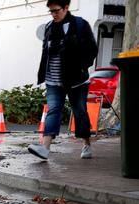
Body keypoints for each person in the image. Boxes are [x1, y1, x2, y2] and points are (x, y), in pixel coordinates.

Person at [28, 0, 98, 160]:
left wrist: (82, 66)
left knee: (80, 112)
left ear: (66, 8)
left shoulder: (80, 25)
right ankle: (45, 148)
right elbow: (46, 52)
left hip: (76, 81)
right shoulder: (49, 27)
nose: (53, 14)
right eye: (51, 11)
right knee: (53, 111)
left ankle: (86, 143)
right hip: (53, 80)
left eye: (56, 11)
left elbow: (92, 49)